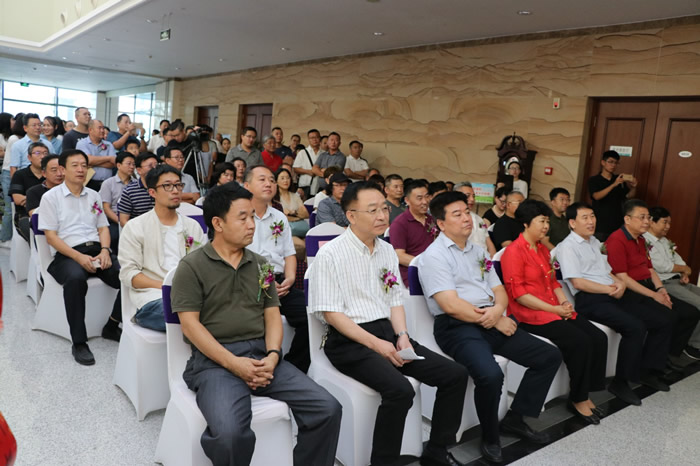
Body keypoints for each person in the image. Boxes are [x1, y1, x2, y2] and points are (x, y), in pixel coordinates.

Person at [171, 183, 341, 465]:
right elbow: (190, 326)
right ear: (218, 223)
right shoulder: (192, 266)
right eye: (243, 218)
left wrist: (273, 356)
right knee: (229, 435)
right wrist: (234, 364)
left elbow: (272, 315)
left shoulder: (260, 264)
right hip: (215, 362)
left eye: (252, 216)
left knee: (327, 408)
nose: (252, 224)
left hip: (262, 356)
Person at [308, 181, 470, 466]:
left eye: (384, 208)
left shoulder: (386, 250)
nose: (383, 215)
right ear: (351, 215)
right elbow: (332, 315)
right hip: (349, 341)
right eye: (373, 210)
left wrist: (403, 335)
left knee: (454, 374)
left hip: (388, 334)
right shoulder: (330, 254)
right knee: (400, 390)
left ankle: (436, 450)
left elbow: (395, 299)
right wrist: (377, 345)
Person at [418, 191, 561, 463]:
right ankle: (490, 435)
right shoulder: (434, 256)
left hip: (490, 318)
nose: (466, 218)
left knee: (548, 356)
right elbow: (450, 305)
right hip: (456, 327)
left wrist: (497, 312)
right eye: (457, 214)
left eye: (466, 212)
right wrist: (495, 318)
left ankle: (516, 419)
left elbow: (499, 290)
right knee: (491, 374)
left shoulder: (478, 251)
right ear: (441, 223)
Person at [501, 199, 608, 425]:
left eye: (547, 222)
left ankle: (586, 391)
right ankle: (578, 398)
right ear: (526, 223)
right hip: (530, 315)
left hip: (554, 309)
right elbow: (520, 296)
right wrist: (555, 309)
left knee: (598, 337)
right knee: (579, 341)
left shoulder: (542, 250)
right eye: (541, 221)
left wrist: (564, 304)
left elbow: (553, 283)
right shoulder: (513, 252)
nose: (546, 226)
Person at [558, 202, 675, 402]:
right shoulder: (567, 247)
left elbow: (607, 271)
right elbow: (578, 282)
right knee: (635, 327)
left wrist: (619, 283)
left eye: (593, 216)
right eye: (585, 218)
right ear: (572, 223)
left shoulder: (594, 242)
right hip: (591, 300)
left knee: (661, 320)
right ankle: (620, 383)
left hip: (611, 294)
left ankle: (647, 371)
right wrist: (610, 289)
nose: (591, 221)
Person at [38, 150, 122, 365]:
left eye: (84, 165)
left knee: (127, 276)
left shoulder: (93, 195)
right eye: (75, 165)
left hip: (97, 250)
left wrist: (105, 250)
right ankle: (79, 342)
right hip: (67, 255)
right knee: (76, 279)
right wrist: (78, 257)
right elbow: (51, 238)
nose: (81, 169)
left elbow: (103, 228)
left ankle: (112, 325)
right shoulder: (50, 198)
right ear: (63, 170)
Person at [606, 200, 700, 371]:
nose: (646, 222)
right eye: (642, 217)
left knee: (680, 314)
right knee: (666, 318)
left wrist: (661, 290)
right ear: (627, 219)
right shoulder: (616, 240)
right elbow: (623, 278)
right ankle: (650, 368)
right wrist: (655, 295)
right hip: (629, 292)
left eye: (648, 218)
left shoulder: (641, 239)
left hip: (648, 287)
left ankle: (665, 359)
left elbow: (650, 269)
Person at [119, 164, 205, 332]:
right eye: (167, 186)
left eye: (178, 185)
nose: (175, 191)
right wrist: (166, 287)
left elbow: (203, 266)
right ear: (152, 192)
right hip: (153, 298)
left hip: (190, 296)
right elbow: (130, 274)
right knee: (187, 313)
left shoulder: (192, 226)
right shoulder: (136, 227)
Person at [244, 165, 310, 372]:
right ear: (246, 186)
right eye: (262, 179)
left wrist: (290, 279)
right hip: (247, 283)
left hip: (279, 283)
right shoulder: (239, 216)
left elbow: (289, 253)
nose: (269, 184)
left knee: (312, 315)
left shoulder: (279, 217)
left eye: (272, 180)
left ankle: (293, 367)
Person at [644, 206, 700, 360]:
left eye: (669, 223)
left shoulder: (665, 241)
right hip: (666, 283)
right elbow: (663, 266)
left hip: (678, 280)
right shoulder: (646, 241)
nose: (668, 226)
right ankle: (693, 346)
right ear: (652, 222)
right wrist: (684, 269)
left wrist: (684, 272)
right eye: (665, 222)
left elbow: (679, 260)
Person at [389, 179, 436, 285]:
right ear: (407, 200)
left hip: (434, 271)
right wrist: (426, 265)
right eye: (419, 198)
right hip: (414, 274)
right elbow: (399, 256)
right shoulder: (400, 223)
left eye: (426, 196)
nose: (425, 202)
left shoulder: (431, 220)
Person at [588, 150, 637, 241]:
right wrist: (614, 184)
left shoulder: (619, 179)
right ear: (603, 162)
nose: (613, 165)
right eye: (610, 162)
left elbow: (628, 196)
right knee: (600, 248)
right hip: (600, 224)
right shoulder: (594, 180)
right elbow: (596, 196)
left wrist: (634, 187)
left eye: (616, 163)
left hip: (617, 222)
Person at [9, 141, 48, 242]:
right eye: (38, 153)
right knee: (36, 235)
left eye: (45, 153)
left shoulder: (52, 175)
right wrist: (45, 201)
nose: (42, 156)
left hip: (50, 214)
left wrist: (30, 200)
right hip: (24, 215)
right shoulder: (20, 175)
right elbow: (17, 199)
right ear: (29, 157)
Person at [99, 151, 135, 252]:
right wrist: (120, 221)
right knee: (114, 236)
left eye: (133, 164)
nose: (132, 167)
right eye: (129, 164)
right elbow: (106, 208)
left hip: (133, 219)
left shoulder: (136, 183)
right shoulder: (108, 183)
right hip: (114, 219)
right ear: (119, 165)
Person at [455, 182, 497, 256]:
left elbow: (488, 241)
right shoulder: (454, 220)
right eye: (467, 196)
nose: (472, 199)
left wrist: (493, 260)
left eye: (473, 196)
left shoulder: (479, 219)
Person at [117, 152, 158, 226]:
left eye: (157, 165)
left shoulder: (164, 187)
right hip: (139, 230)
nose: (155, 169)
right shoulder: (129, 191)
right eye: (150, 166)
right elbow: (123, 221)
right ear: (139, 170)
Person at [75, 120, 117, 191]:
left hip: (107, 183)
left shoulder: (109, 144)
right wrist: (109, 158)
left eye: (103, 128)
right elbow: (88, 160)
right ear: (90, 130)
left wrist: (93, 163)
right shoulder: (82, 143)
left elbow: (113, 163)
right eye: (99, 128)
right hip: (88, 182)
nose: (102, 131)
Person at [0, 113, 22, 246]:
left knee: (10, 208)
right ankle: (5, 237)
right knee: (9, 208)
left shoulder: (13, 137)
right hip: (9, 173)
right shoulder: (14, 139)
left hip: (10, 172)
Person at [274, 167, 309, 238]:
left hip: (297, 229)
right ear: (276, 181)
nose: (286, 181)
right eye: (282, 178)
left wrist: (293, 213)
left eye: (288, 178)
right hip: (282, 231)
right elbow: (280, 219)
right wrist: (298, 218)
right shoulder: (274, 198)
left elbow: (306, 214)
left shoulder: (295, 196)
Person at [9, 113, 43, 177]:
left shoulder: (48, 144)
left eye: (39, 125)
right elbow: (13, 168)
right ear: (25, 128)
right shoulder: (17, 145)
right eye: (34, 125)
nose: (38, 127)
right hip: (24, 179)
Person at [293, 128, 322, 198]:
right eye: (312, 138)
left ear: (320, 138)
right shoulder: (302, 152)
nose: (314, 139)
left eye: (316, 137)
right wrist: (308, 172)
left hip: (319, 187)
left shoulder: (324, 153)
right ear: (308, 139)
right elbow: (295, 168)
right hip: (305, 186)